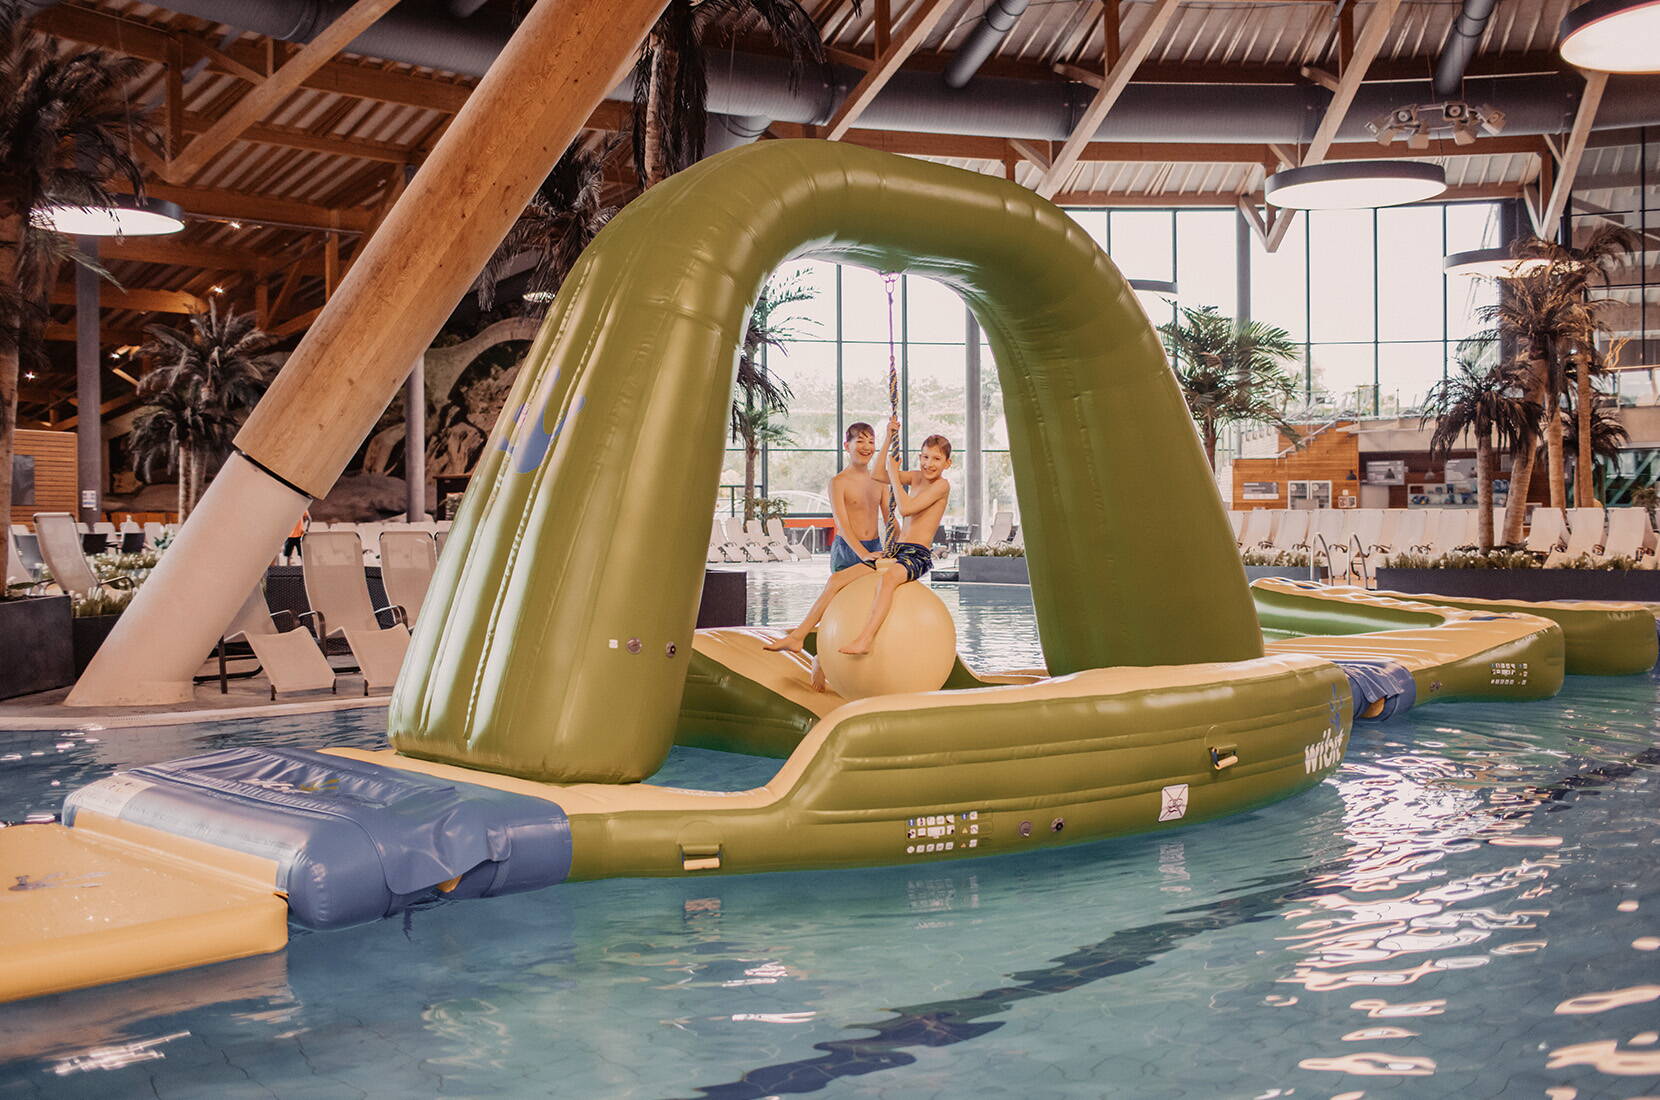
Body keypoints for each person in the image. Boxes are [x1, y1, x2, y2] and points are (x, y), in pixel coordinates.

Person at [765, 418, 951, 663]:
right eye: (925, 457)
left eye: (936, 459)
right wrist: (888, 439)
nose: (929, 464)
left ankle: (866, 638)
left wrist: (894, 473)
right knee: (836, 581)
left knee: (887, 581)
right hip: (892, 550)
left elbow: (904, 509)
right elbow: (879, 474)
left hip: (916, 554)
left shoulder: (942, 485)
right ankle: (798, 636)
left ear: (948, 463)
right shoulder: (914, 477)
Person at [828, 422, 889, 574]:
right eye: (860, 441)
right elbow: (842, 525)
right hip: (847, 549)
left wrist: (905, 546)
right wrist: (863, 554)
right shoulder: (838, 482)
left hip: (875, 547)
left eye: (871, 442)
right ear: (847, 446)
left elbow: (891, 520)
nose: (866, 447)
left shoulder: (880, 481)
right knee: (845, 596)